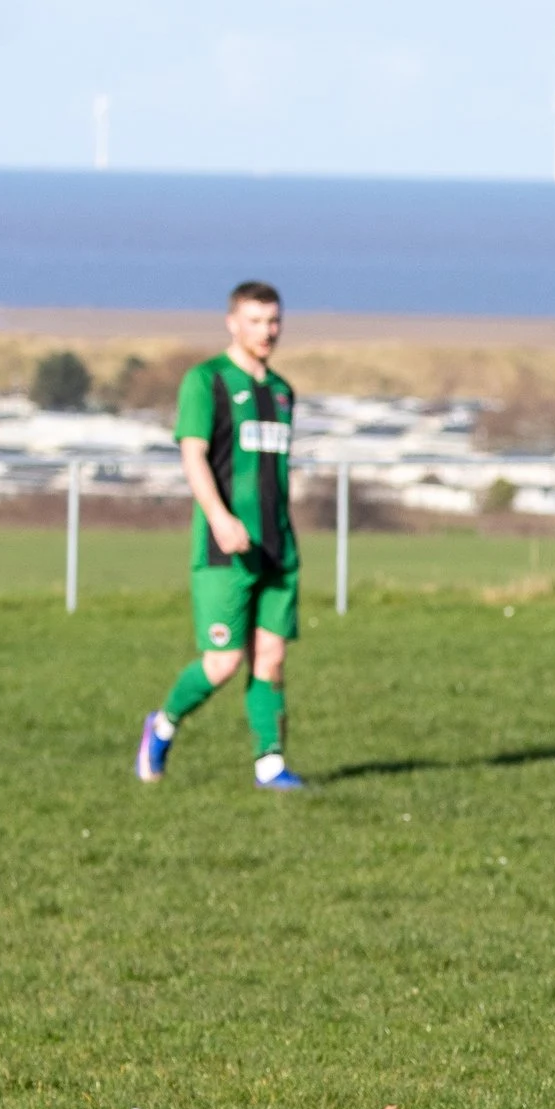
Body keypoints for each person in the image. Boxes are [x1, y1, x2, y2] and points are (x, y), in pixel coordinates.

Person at [134, 280, 308, 790]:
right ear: (232, 322)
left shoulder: (282, 391)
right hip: (223, 549)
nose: (266, 331)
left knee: (271, 659)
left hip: (278, 547)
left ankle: (270, 763)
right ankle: (162, 725)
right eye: (255, 320)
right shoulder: (205, 381)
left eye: (273, 320)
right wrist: (219, 517)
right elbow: (193, 454)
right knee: (223, 662)